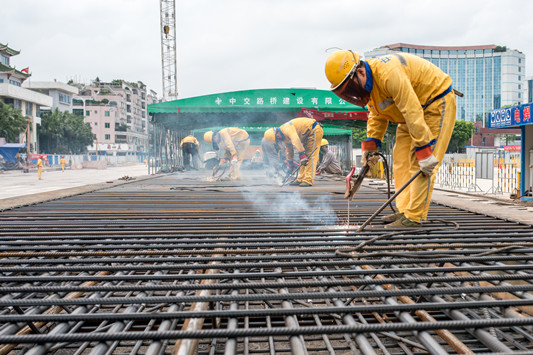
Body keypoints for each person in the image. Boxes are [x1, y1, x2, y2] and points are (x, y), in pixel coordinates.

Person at [325, 50, 456, 228]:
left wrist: (424, 150)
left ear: (360, 72)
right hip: (408, 113)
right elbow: (377, 114)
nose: (352, 94)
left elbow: (412, 110)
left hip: (435, 102)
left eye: (351, 87)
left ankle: (413, 217)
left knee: (420, 163)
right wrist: (371, 148)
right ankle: (403, 210)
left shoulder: (388, 73)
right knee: (401, 159)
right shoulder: (369, 85)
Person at [264, 117, 323, 187]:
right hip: (306, 135)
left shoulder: (286, 128)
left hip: (314, 130)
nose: (279, 140)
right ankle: (300, 179)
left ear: (276, 133)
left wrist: (301, 154)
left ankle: (308, 179)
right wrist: (290, 162)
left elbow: (295, 139)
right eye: (277, 141)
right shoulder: (283, 137)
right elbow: (289, 149)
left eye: (277, 138)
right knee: (304, 159)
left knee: (311, 156)